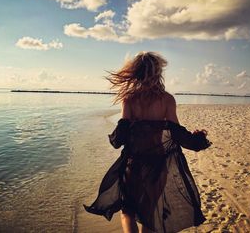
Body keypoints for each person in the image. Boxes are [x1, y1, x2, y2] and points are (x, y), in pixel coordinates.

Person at [84, 51, 211, 233]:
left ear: (135, 73)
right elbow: (177, 133)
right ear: (158, 72)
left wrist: (116, 135)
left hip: (132, 164)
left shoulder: (129, 99)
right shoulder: (167, 99)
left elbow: (119, 139)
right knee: (150, 213)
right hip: (158, 165)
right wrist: (198, 139)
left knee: (128, 212)